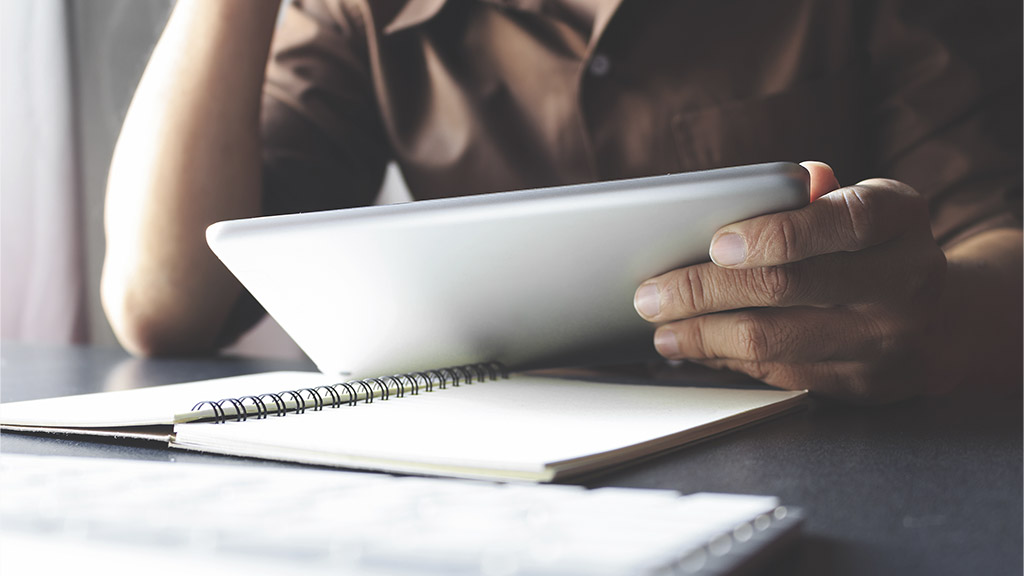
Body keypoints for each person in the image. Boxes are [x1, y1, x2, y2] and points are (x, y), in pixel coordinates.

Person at [101, 0, 1022, 403]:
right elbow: (166, 303)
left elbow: (1002, 239)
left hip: (825, 466)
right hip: (491, 490)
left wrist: (935, 319)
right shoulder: (361, 9)